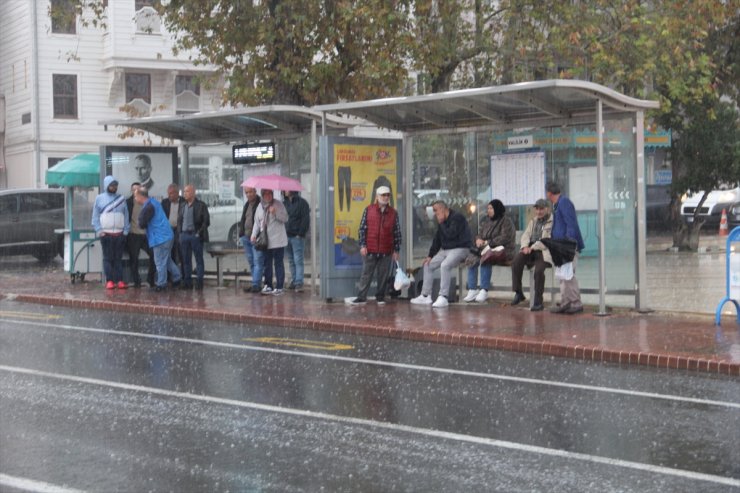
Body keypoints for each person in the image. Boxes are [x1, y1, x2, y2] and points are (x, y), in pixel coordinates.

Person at [410, 200, 472, 308]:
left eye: (436, 210)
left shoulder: (457, 218)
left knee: (445, 265)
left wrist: (442, 222)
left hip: (461, 248)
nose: (434, 213)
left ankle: (443, 296)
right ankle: (425, 295)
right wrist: (430, 256)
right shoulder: (441, 222)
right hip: (446, 250)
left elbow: (451, 234)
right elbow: (437, 239)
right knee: (428, 265)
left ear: (443, 209)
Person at [346, 186, 401, 305]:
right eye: (383, 195)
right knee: (366, 274)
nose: (386, 197)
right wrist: (362, 245)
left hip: (386, 250)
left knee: (383, 275)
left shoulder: (393, 213)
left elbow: (396, 232)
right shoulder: (368, 210)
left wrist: (396, 250)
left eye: (387, 195)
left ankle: (380, 297)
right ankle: (361, 297)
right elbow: (362, 229)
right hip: (370, 249)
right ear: (377, 196)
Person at [463, 199, 516, 303]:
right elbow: (480, 233)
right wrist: (478, 240)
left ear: (497, 209)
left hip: (502, 250)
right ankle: (472, 289)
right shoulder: (487, 220)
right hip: (486, 248)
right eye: (488, 208)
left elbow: (505, 237)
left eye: (491, 208)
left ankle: (484, 289)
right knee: (472, 258)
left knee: (486, 258)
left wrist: (487, 242)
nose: (489, 210)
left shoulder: (506, 221)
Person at [546, 181, 586, 314]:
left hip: (567, 246)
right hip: (561, 246)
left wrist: (568, 242)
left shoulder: (564, 203)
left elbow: (570, 223)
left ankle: (575, 302)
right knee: (563, 274)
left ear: (549, 193)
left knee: (568, 274)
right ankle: (566, 302)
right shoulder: (558, 205)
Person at [136, 187, 182, 292]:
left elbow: (141, 222)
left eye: (135, 196)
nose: (135, 198)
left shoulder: (149, 206)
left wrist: (139, 223)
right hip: (166, 236)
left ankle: (162, 284)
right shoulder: (153, 203)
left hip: (160, 238)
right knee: (167, 260)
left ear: (140, 196)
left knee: (159, 262)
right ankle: (177, 277)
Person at [511, 199, 553, 312]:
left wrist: (532, 247)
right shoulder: (533, 221)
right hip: (530, 249)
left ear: (547, 209)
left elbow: (547, 240)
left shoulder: (552, 222)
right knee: (516, 261)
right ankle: (518, 292)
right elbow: (525, 235)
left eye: (542, 209)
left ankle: (538, 302)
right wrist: (525, 246)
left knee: (539, 271)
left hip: (543, 251)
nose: (539, 212)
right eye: (537, 209)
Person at [92, 175, 130, 289]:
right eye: (112, 185)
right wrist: (99, 231)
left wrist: (126, 231)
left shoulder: (121, 198)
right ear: (107, 185)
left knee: (118, 259)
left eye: (115, 185)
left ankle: (119, 280)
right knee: (107, 258)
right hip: (106, 234)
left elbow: (126, 215)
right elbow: (95, 217)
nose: (114, 187)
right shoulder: (99, 198)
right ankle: (109, 280)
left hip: (119, 234)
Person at [250, 189, 288, 295]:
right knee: (267, 264)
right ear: (262, 195)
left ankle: (279, 286)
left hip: (278, 240)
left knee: (278, 263)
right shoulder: (259, 206)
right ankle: (268, 285)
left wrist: (275, 213)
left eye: (270, 193)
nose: (268, 196)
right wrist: (253, 235)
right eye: (266, 194)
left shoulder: (278, 204)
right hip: (266, 241)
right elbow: (257, 223)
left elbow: (285, 218)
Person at [177, 184, 210, 290]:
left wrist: (198, 233)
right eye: (184, 191)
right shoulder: (182, 205)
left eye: (187, 191)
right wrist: (180, 233)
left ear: (193, 193)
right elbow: (179, 221)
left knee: (198, 259)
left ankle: (199, 282)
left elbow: (206, 221)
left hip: (195, 235)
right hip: (184, 235)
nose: (185, 193)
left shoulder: (201, 205)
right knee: (186, 260)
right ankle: (188, 282)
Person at [125, 182, 155, 288]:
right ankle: (136, 282)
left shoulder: (147, 202)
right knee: (134, 259)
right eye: (134, 190)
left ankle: (150, 280)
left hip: (147, 235)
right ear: (131, 191)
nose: (136, 192)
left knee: (154, 255)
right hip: (134, 234)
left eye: (138, 189)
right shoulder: (128, 202)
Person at [283, 190, 310, 291]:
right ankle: (294, 280)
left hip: (296, 236)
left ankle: (299, 282)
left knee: (298, 260)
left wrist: (300, 234)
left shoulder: (302, 203)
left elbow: (305, 219)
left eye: (286, 189)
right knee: (291, 260)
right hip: (286, 236)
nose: (284, 191)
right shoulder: (284, 203)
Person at [239, 186, 262, 293]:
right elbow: (243, 219)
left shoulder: (260, 204)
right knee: (251, 262)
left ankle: (256, 284)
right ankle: (255, 282)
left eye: (250, 192)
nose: (248, 194)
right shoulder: (247, 204)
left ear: (255, 191)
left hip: (256, 237)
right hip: (246, 237)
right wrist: (241, 233)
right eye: (246, 192)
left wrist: (258, 235)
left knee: (257, 261)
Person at [161, 183, 186, 274]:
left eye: (171, 193)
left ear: (176, 193)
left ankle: (183, 276)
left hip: (180, 230)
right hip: (168, 230)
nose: (169, 195)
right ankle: (172, 277)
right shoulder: (165, 202)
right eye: (168, 193)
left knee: (181, 253)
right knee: (169, 254)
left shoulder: (184, 202)